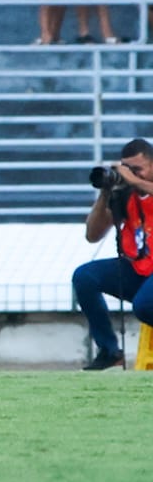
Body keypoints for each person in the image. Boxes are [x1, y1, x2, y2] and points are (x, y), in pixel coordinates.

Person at [71, 139, 153, 370]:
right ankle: (109, 350)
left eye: (137, 169)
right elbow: (92, 235)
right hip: (139, 268)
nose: (130, 174)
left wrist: (134, 180)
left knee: (144, 305)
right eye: (126, 169)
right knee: (85, 277)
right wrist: (105, 194)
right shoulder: (126, 195)